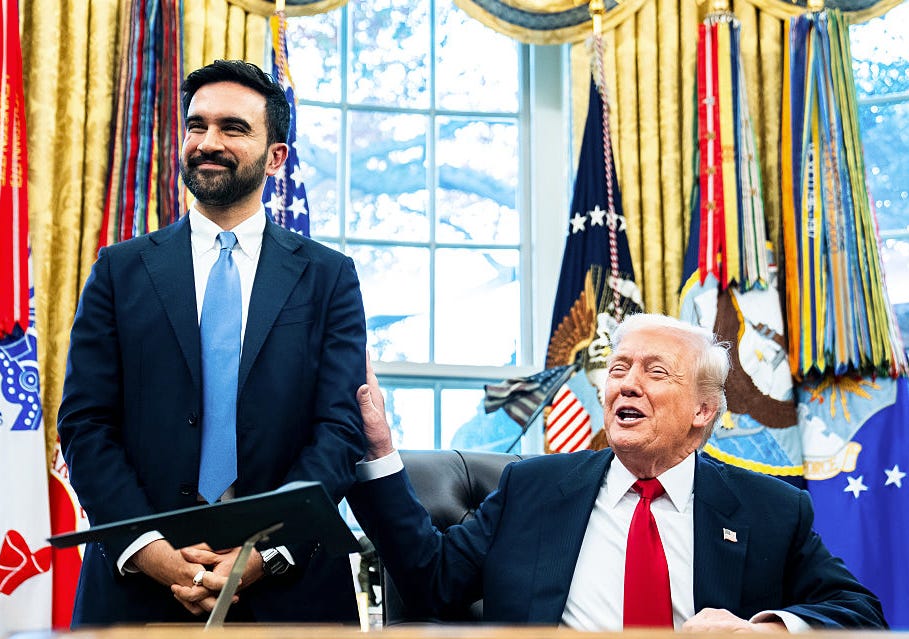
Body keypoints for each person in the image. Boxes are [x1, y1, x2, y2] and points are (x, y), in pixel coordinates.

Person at [58, 60, 366, 626]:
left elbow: (341, 430)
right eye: (196, 125)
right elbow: (85, 424)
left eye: (233, 128)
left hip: (289, 593)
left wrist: (264, 554)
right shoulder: (118, 271)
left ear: (276, 156)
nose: (207, 142)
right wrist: (152, 553)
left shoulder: (329, 278)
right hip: (136, 593)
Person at [348, 313, 887, 631]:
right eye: (619, 369)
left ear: (703, 410)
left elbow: (860, 611)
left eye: (656, 372)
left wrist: (766, 630)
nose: (627, 384)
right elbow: (431, 581)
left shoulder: (771, 509)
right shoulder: (532, 488)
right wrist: (379, 450)